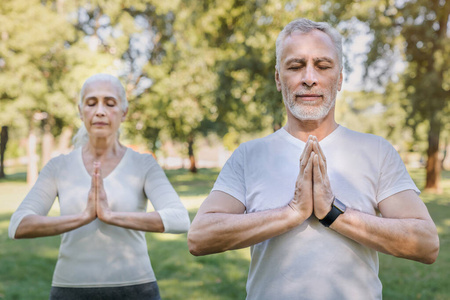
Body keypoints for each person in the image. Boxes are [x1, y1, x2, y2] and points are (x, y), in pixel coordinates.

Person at [187, 18, 439, 300]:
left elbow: (426, 244)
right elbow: (199, 237)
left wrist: (333, 213)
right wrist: (291, 213)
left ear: (340, 78)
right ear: (278, 79)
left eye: (323, 66)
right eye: (295, 66)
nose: (309, 78)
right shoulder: (249, 155)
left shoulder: (376, 151)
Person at [9, 73, 191, 299]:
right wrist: (82, 217)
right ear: (80, 111)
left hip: (136, 289)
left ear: (124, 112)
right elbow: (18, 225)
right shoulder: (59, 167)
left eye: (110, 103)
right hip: (70, 290)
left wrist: (111, 215)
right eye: (92, 103)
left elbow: (179, 219)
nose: (100, 111)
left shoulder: (143, 164)